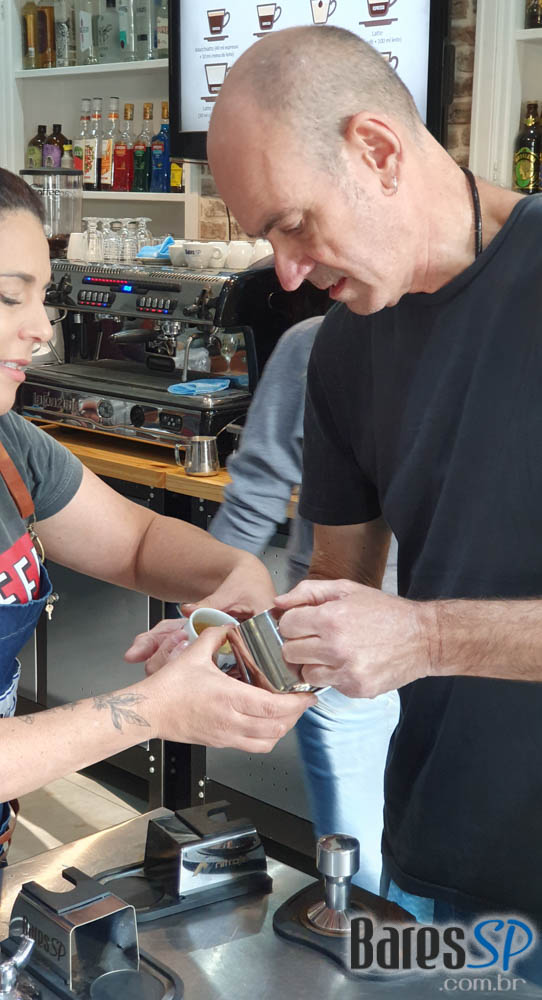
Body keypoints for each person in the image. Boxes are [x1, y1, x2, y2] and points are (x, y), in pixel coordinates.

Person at [0, 110, 315, 882]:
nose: (41, 329)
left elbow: (138, 543)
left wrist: (234, 578)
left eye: (43, 297)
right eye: (13, 297)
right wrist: (151, 709)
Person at [207, 25, 542, 932]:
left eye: (293, 224)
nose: (287, 272)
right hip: (438, 849)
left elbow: (415, 634)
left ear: (379, 152)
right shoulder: (343, 347)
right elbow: (338, 583)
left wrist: (427, 636)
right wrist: (243, 650)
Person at [209, 314, 400, 895]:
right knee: (359, 872)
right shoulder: (321, 340)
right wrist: (206, 625)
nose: (292, 277)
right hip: (338, 652)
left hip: (472, 664)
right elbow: (257, 490)